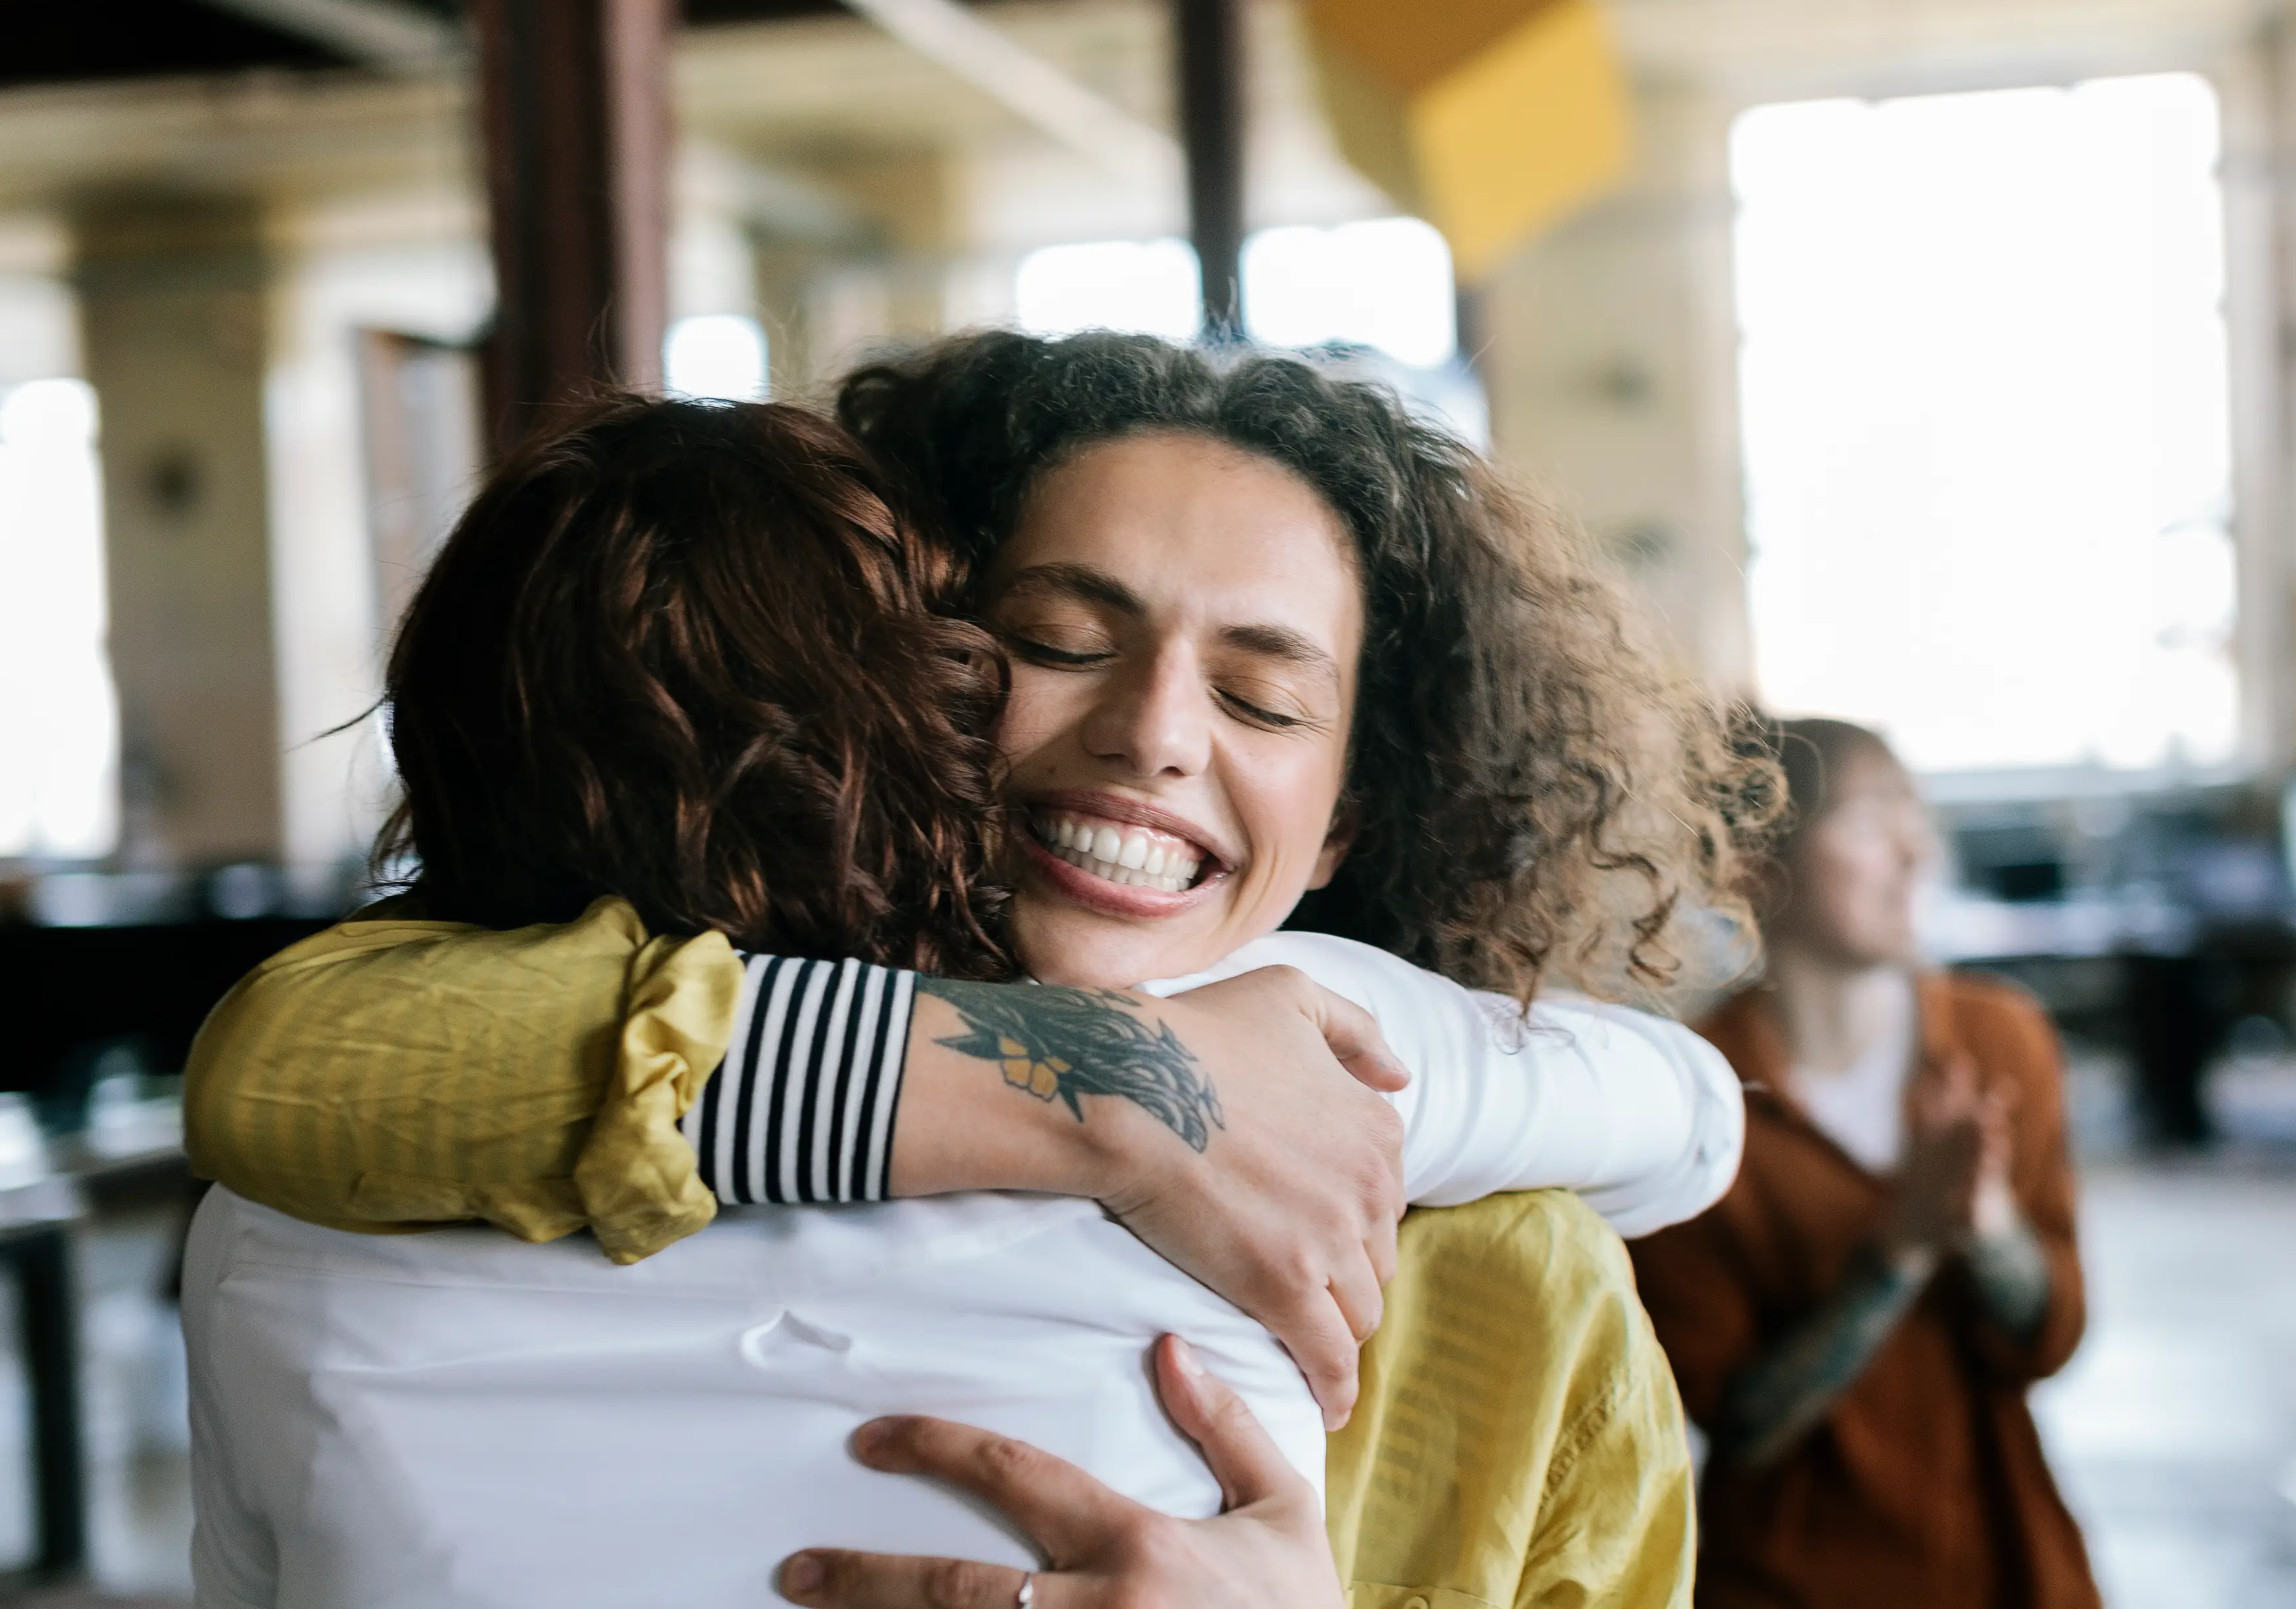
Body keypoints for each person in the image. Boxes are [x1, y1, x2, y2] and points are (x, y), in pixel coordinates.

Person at [186, 343, 1752, 1605]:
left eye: (1265, 695)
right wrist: (1121, 1102)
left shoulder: (1507, 1276)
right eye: (1059, 637)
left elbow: (1679, 1110)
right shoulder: (512, 1087)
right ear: (907, 671)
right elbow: (288, 1060)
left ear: (1349, 818)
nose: (1154, 731)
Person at [1626, 717, 2100, 1609]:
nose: (1915, 851)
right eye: (1869, 817)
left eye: (1912, 814)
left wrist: (1989, 1228)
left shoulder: (2003, 1042)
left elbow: (2051, 1340)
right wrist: (1903, 1249)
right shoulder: (1686, 1100)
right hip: (1790, 1583)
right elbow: (1740, 1420)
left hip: (2011, 1569)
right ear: (1755, 868)